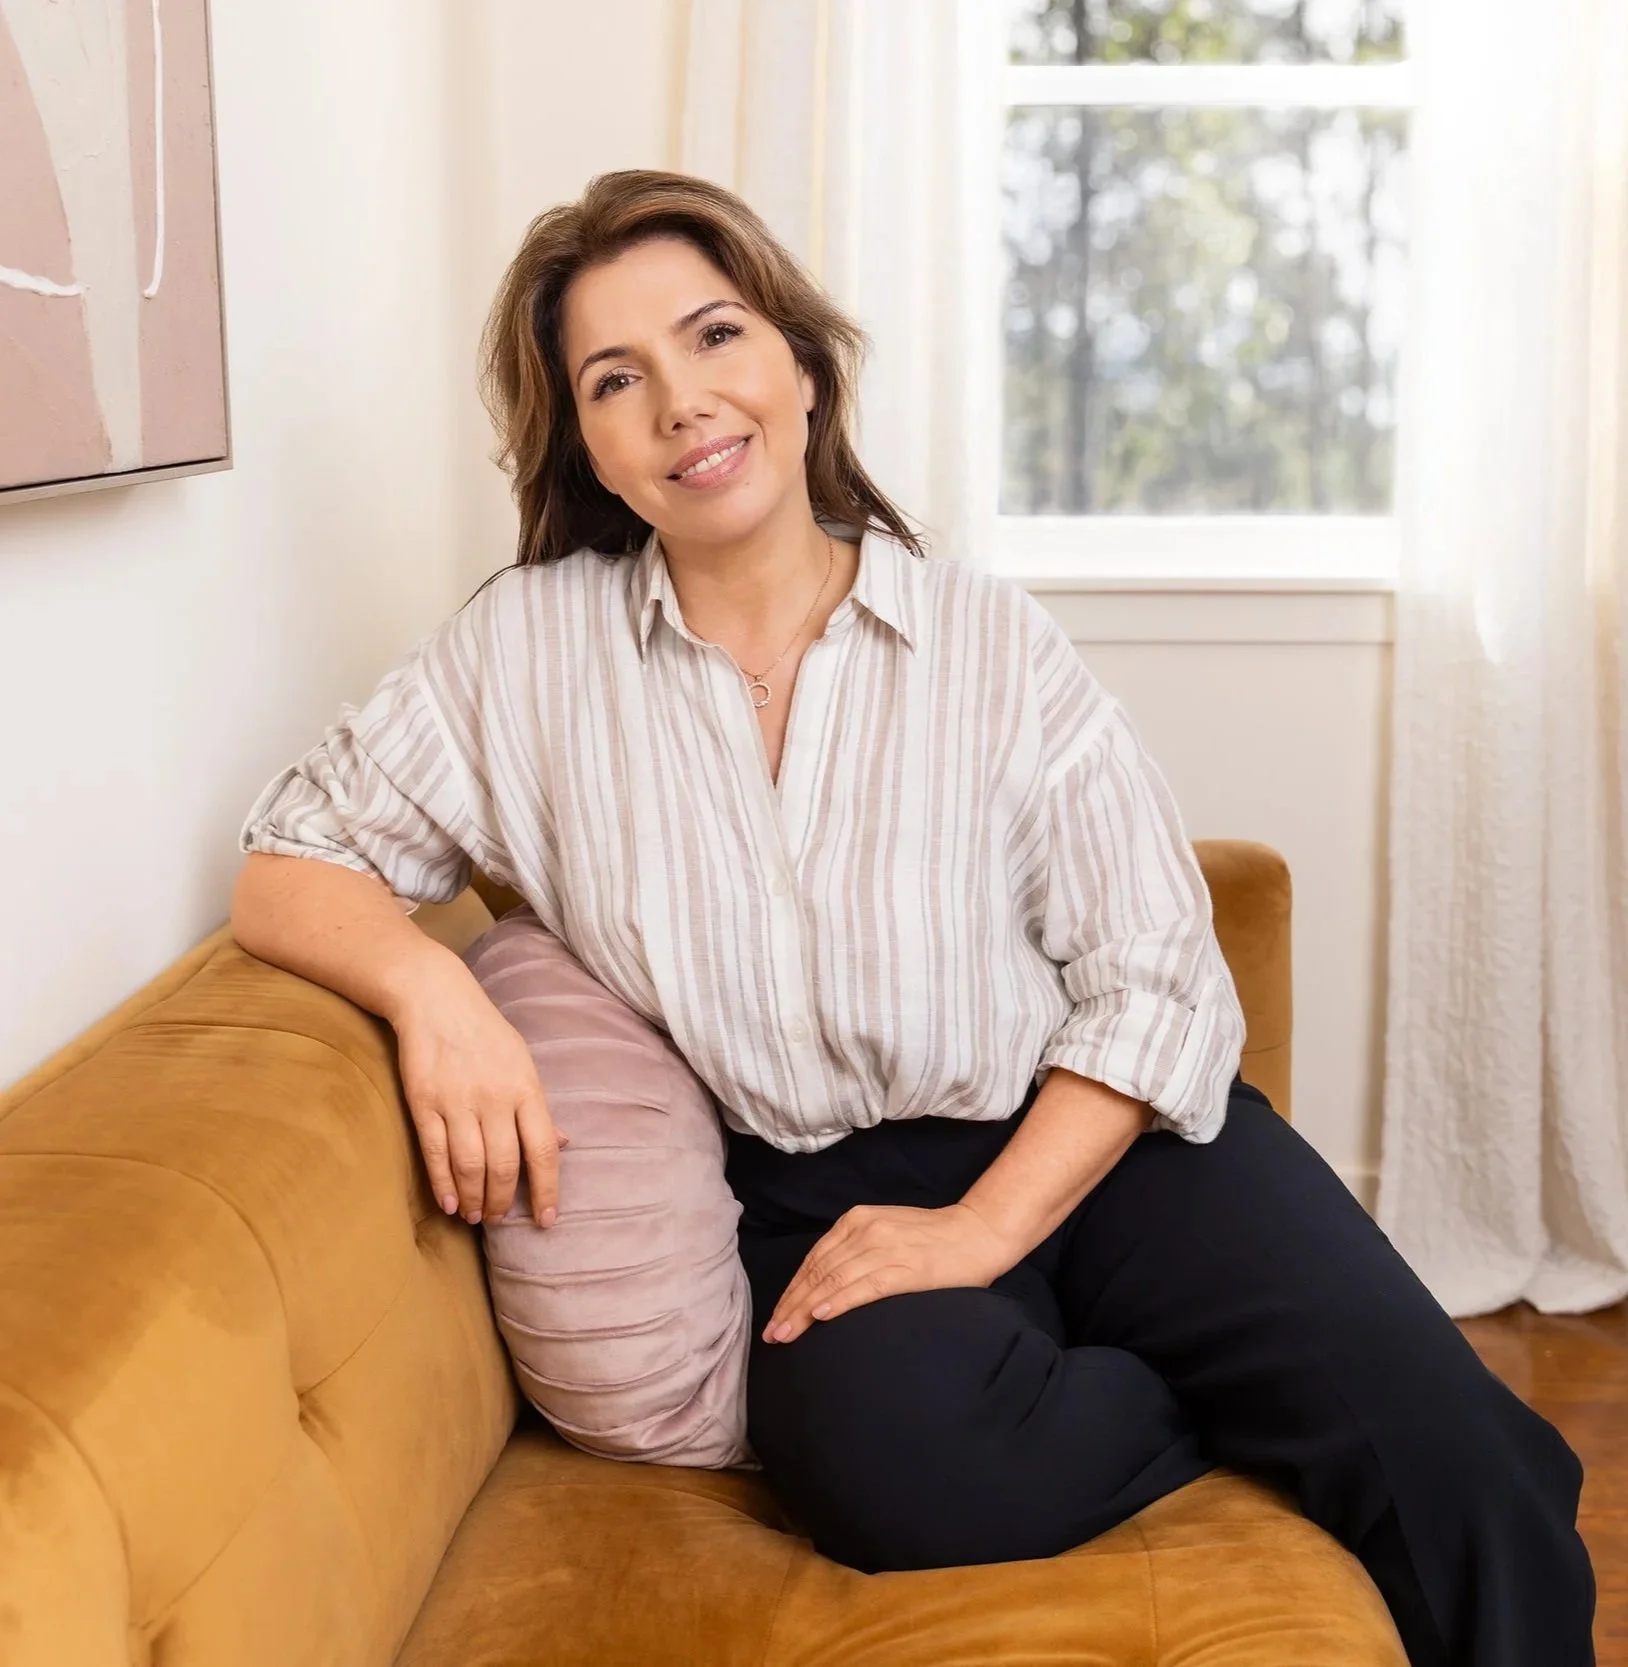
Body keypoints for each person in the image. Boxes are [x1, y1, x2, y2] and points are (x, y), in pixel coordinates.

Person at [230, 168, 1595, 1666]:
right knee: (892, 1464)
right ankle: (1197, 1397)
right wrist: (440, 999)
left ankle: (1211, 1367)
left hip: (1108, 1146)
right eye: (618, 379)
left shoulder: (990, 644)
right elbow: (290, 859)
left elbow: (1160, 977)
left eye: (716, 336)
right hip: (816, 1199)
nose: (683, 401)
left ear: (804, 372)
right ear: (593, 449)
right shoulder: (522, 657)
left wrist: (987, 1226)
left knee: (1463, 1467)